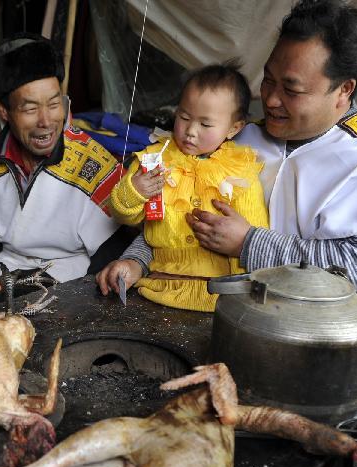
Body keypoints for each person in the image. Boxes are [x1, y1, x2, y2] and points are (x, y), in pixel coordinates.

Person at [98, 0, 357, 467]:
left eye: (292, 88)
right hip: (262, 327)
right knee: (269, 459)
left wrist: (248, 243)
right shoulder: (243, 140)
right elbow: (182, 217)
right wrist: (140, 258)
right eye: (268, 79)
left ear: (343, 90)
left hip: (349, 343)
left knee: (350, 461)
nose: (271, 98)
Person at [0, 33, 134, 284]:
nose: (46, 121)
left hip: (70, 282)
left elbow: (112, 253)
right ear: (4, 112)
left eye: (53, 104)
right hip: (4, 278)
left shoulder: (92, 165)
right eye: (30, 108)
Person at [109, 63, 269, 311]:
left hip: (218, 299)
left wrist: (245, 300)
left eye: (206, 124)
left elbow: (252, 237)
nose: (190, 131)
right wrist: (136, 190)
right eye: (183, 117)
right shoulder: (155, 159)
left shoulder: (241, 171)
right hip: (156, 289)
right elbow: (125, 216)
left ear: (234, 128)